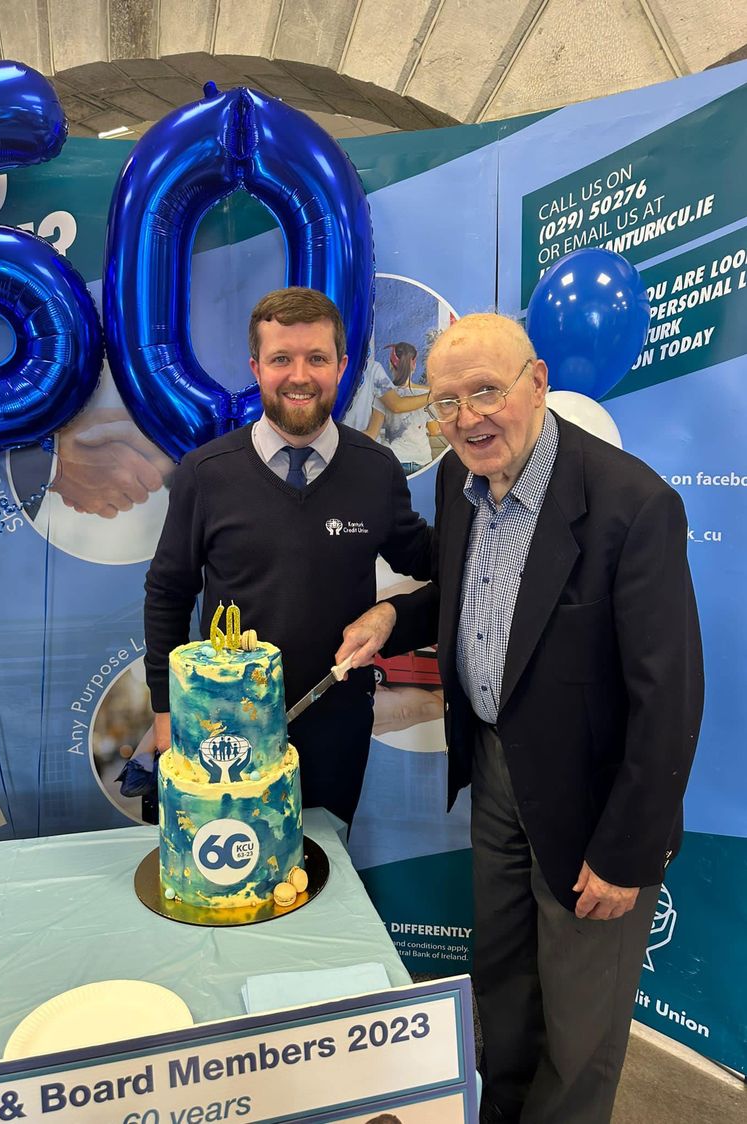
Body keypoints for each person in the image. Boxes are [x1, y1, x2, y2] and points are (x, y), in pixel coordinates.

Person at [337, 313, 703, 1123]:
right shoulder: (458, 483)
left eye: (485, 392)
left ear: (536, 384)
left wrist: (625, 853)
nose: (467, 418)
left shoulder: (630, 504)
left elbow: (667, 698)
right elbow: (476, 597)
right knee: (501, 976)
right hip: (498, 771)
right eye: (446, 402)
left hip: (593, 799)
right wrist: (396, 617)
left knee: (579, 1020)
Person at [143, 287, 432, 826]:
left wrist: (398, 612)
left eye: (317, 358)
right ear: (256, 367)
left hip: (337, 728)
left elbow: (439, 565)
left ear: (342, 367)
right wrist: (166, 716)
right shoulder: (206, 474)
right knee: (233, 886)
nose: (299, 376)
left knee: (321, 875)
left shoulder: (376, 470)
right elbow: (167, 594)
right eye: (281, 359)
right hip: (223, 732)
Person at [368, 343, 434, 474]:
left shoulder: (384, 395)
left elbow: (373, 433)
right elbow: (435, 429)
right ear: (414, 365)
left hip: (393, 458)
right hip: (422, 459)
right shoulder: (427, 394)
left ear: (391, 364)